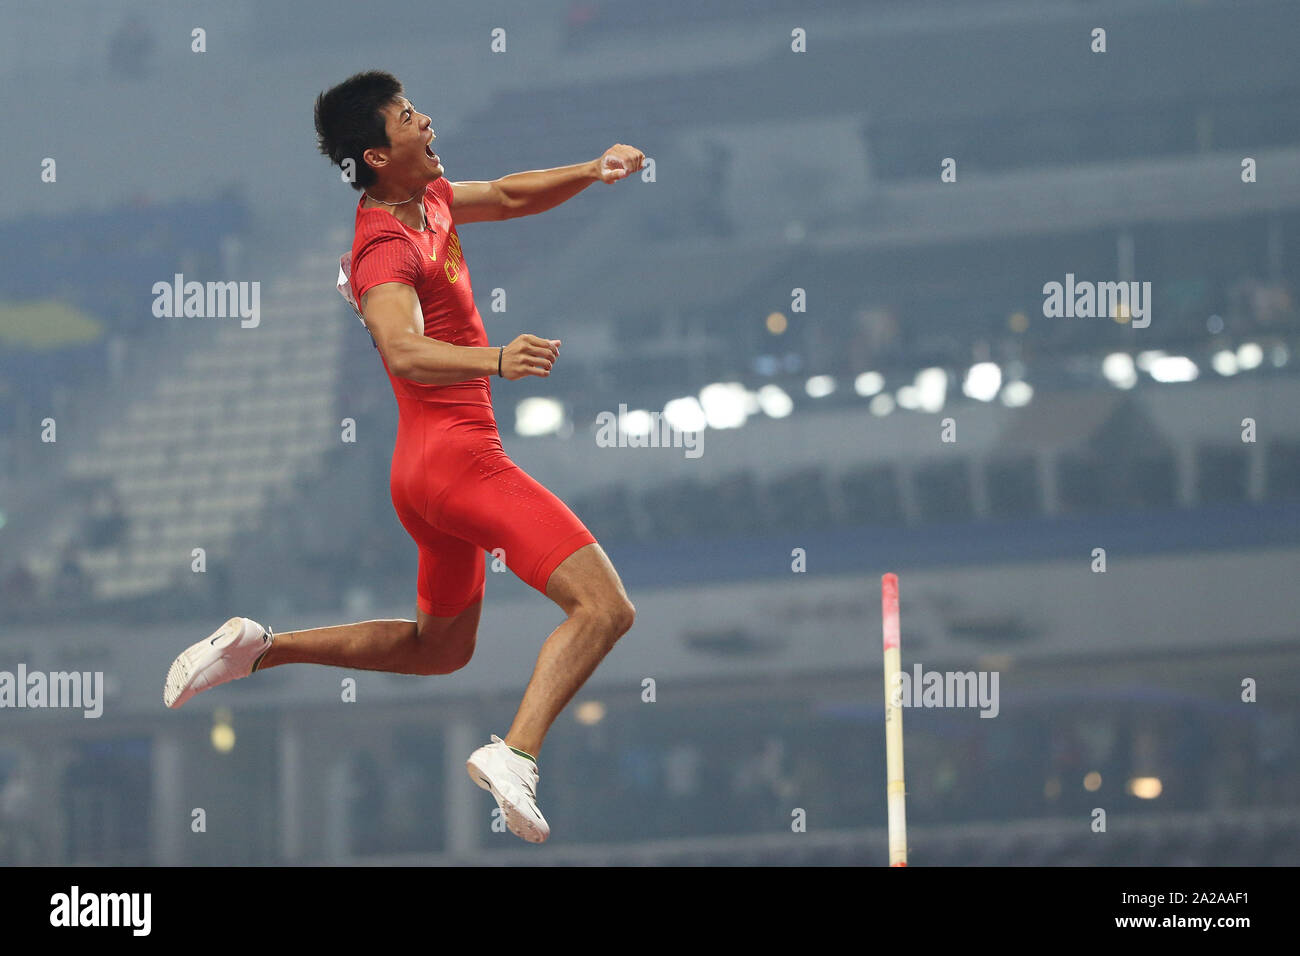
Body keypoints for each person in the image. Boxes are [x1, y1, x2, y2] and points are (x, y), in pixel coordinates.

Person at [163, 70, 641, 844]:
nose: (428, 121)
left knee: (440, 648)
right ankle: (515, 754)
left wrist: (592, 170)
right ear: (379, 154)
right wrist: (494, 359)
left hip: (422, 476)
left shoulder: (433, 201)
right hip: (459, 464)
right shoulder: (382, 246)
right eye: (409, 117)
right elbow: (403, 351)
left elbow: (513, 195)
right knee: (606, 607)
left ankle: (263, 648)